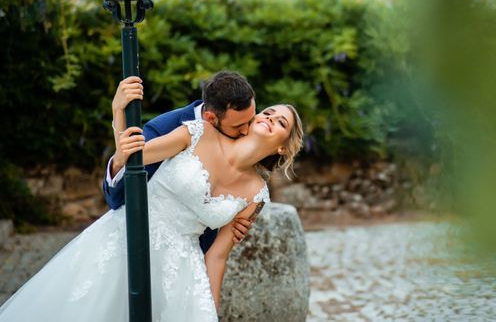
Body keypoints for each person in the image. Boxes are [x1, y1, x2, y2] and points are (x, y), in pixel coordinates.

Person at [0, 92, 304, 321]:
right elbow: (132, 158)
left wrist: (210, 310)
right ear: (249, 120)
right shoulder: (199, 132)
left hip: (182, 270)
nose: (269, 118)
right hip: (127, 239)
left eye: (280, 122)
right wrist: (118, 111)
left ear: (282, 146)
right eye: (268, 112)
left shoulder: (257, 194)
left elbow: (217, 257)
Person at [104, 70, 257, 250]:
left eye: (251, 120)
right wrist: (118, 112)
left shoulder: (248, 135)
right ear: (210, 118)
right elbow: (118, 198)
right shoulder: (165, 129)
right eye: (238, 126)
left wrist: (234, 220)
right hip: (152, 248)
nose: (247, 131)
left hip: (198, 258)